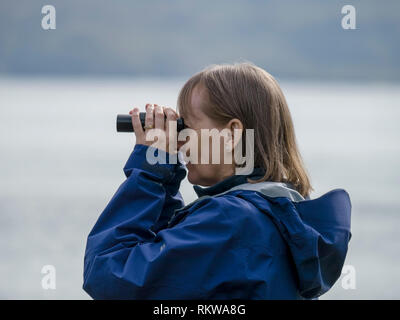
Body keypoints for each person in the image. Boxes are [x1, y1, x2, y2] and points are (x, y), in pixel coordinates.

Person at [82, 62, 352, 299]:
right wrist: (164, 181)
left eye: (188, 126)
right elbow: (165, 257)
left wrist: (150, 170)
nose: (179, 140)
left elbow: (107, 273)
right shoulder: (275, 216)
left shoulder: (229, 221)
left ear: (233, 133)